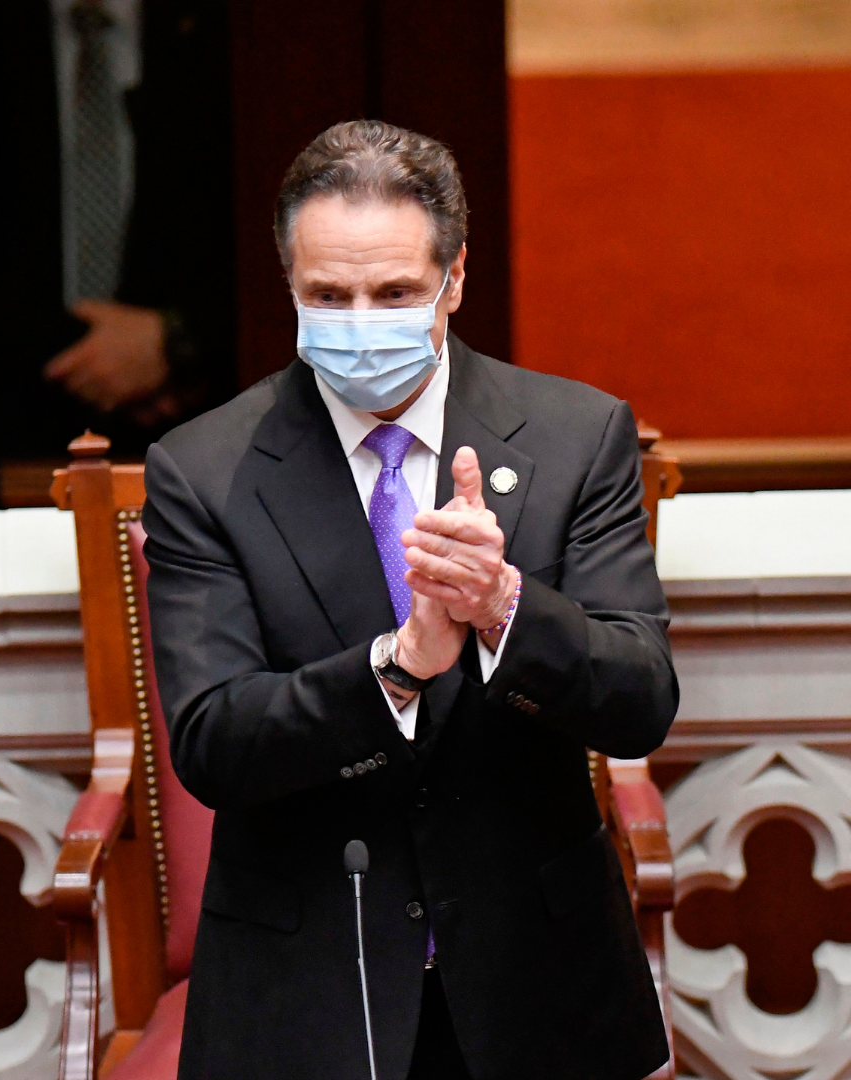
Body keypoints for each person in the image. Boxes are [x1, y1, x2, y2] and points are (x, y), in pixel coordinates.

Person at [142, 120, 675, 1079]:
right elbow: (215, 742)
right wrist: (398, 666)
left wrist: (507, 607)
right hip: (306, 983)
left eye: (392, 294)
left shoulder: (576, 435)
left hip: (535, 981)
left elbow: (639, 701)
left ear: (455, 279)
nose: (357, 321)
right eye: (326, 296)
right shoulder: (202, 470)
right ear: (289, 286)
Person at [0, 0, 233, 508]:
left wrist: (181, 342)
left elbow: (274, 225)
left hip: (210, 447)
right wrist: (85, 354)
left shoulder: (243, 33)